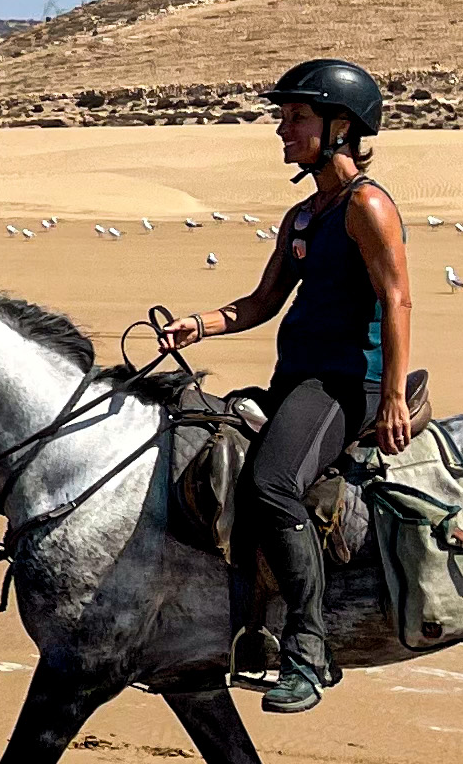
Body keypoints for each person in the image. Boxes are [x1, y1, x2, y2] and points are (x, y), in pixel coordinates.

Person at [162, 59, 411, 714]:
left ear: (340, 126)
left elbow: (397, 300)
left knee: (271, 483)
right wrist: (199, 324)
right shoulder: (302, 217)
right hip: (296, 380)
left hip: (346, 384)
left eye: (296, 117)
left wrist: (389, 398)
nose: (282, 129)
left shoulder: (367, 207)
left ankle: (309, 648)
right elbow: (260, 303)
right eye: (282, 117)